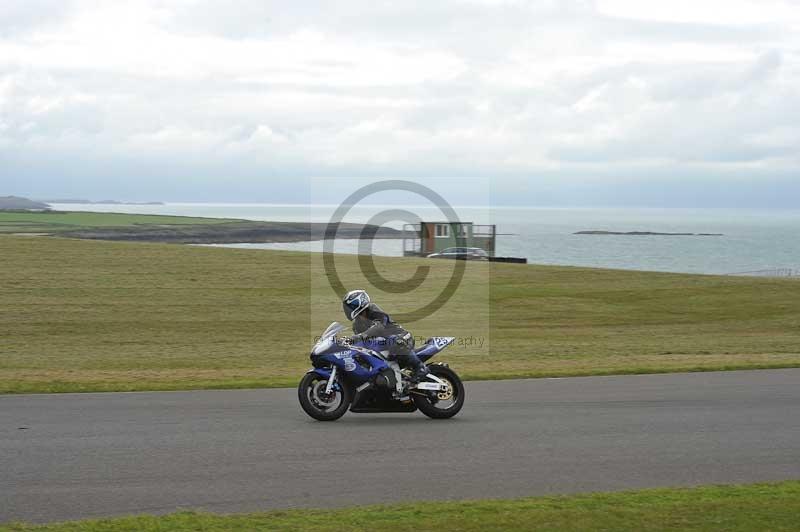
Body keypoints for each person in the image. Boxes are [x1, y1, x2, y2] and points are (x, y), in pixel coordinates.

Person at [341, 289, 428, 383]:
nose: (348, 310)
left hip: (403, 337)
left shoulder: (374, 311)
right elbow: (362, 342)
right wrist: (348, 343)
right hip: (383, 345)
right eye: (347, 307)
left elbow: (379, 327)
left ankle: (420, 368)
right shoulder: (357, 324)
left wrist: (358, 337)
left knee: (395, 341)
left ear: (360, 302)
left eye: (351, 306)